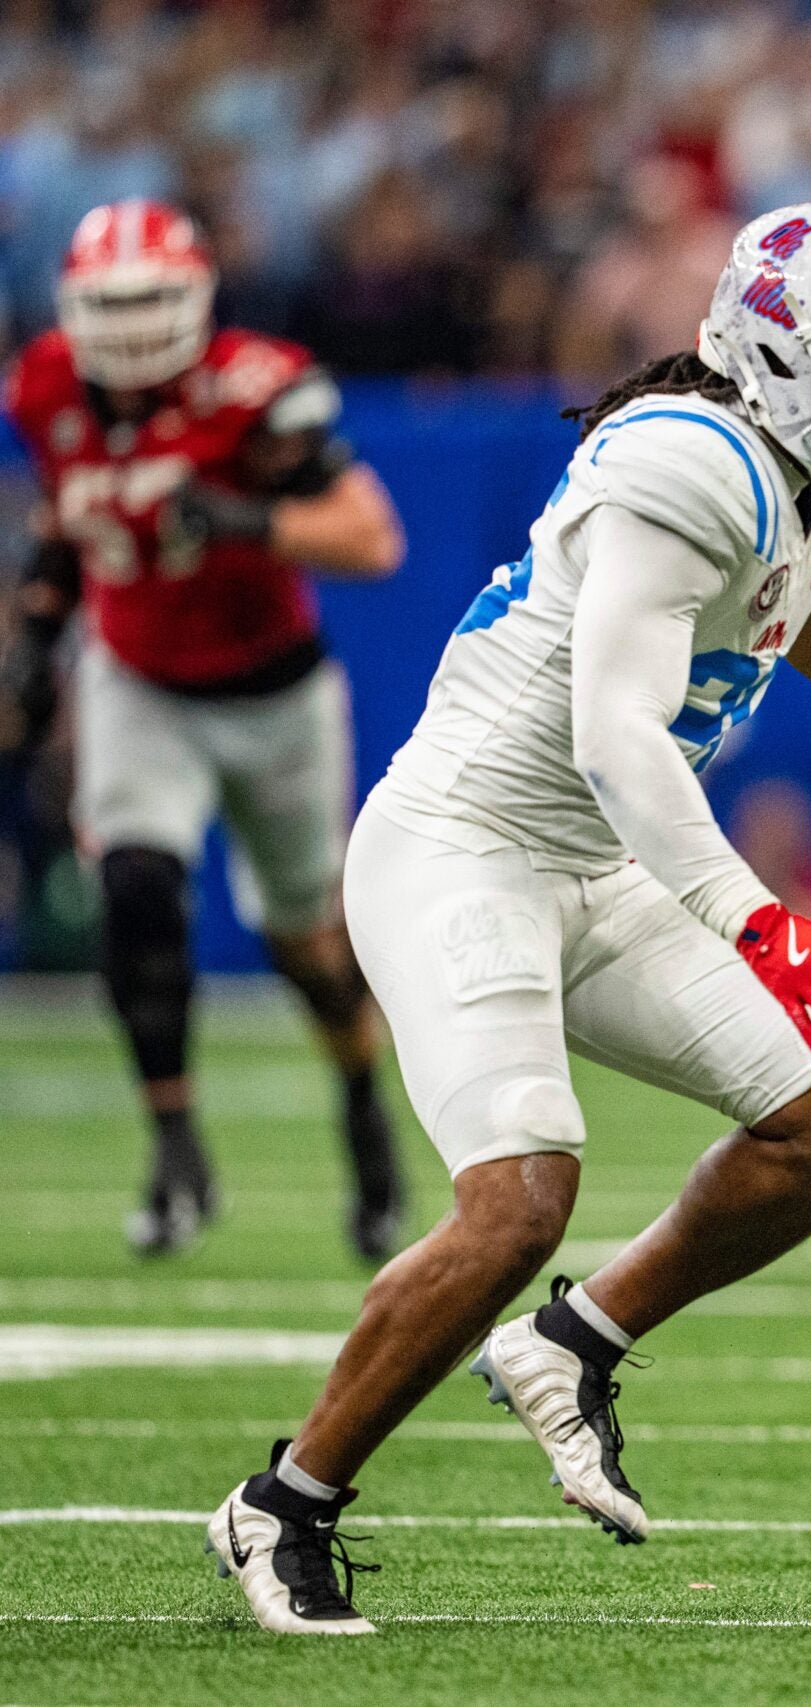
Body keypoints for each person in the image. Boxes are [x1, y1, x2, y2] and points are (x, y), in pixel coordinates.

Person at [202, 203, 811, 1636]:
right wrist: (753, 914)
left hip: (596, 866)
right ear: (792, 361)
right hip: (470, 847)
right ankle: (283, 1503)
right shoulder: (684, 460)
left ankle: (574, 1340)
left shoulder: (796, 469)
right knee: (521, 1196)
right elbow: (614, 735)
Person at [0, 198, 409, 1261]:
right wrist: (40, 640)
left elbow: (372, 538)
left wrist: (244, 519)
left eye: (151, 301)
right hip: (138, 678)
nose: (132, 326)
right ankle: (175, 1149)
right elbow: (63, 518)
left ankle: (362, 1107)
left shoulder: (255, 390)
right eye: (112, 304)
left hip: (275, 695)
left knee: (310, 942)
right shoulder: (44, 384)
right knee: (134, 887)